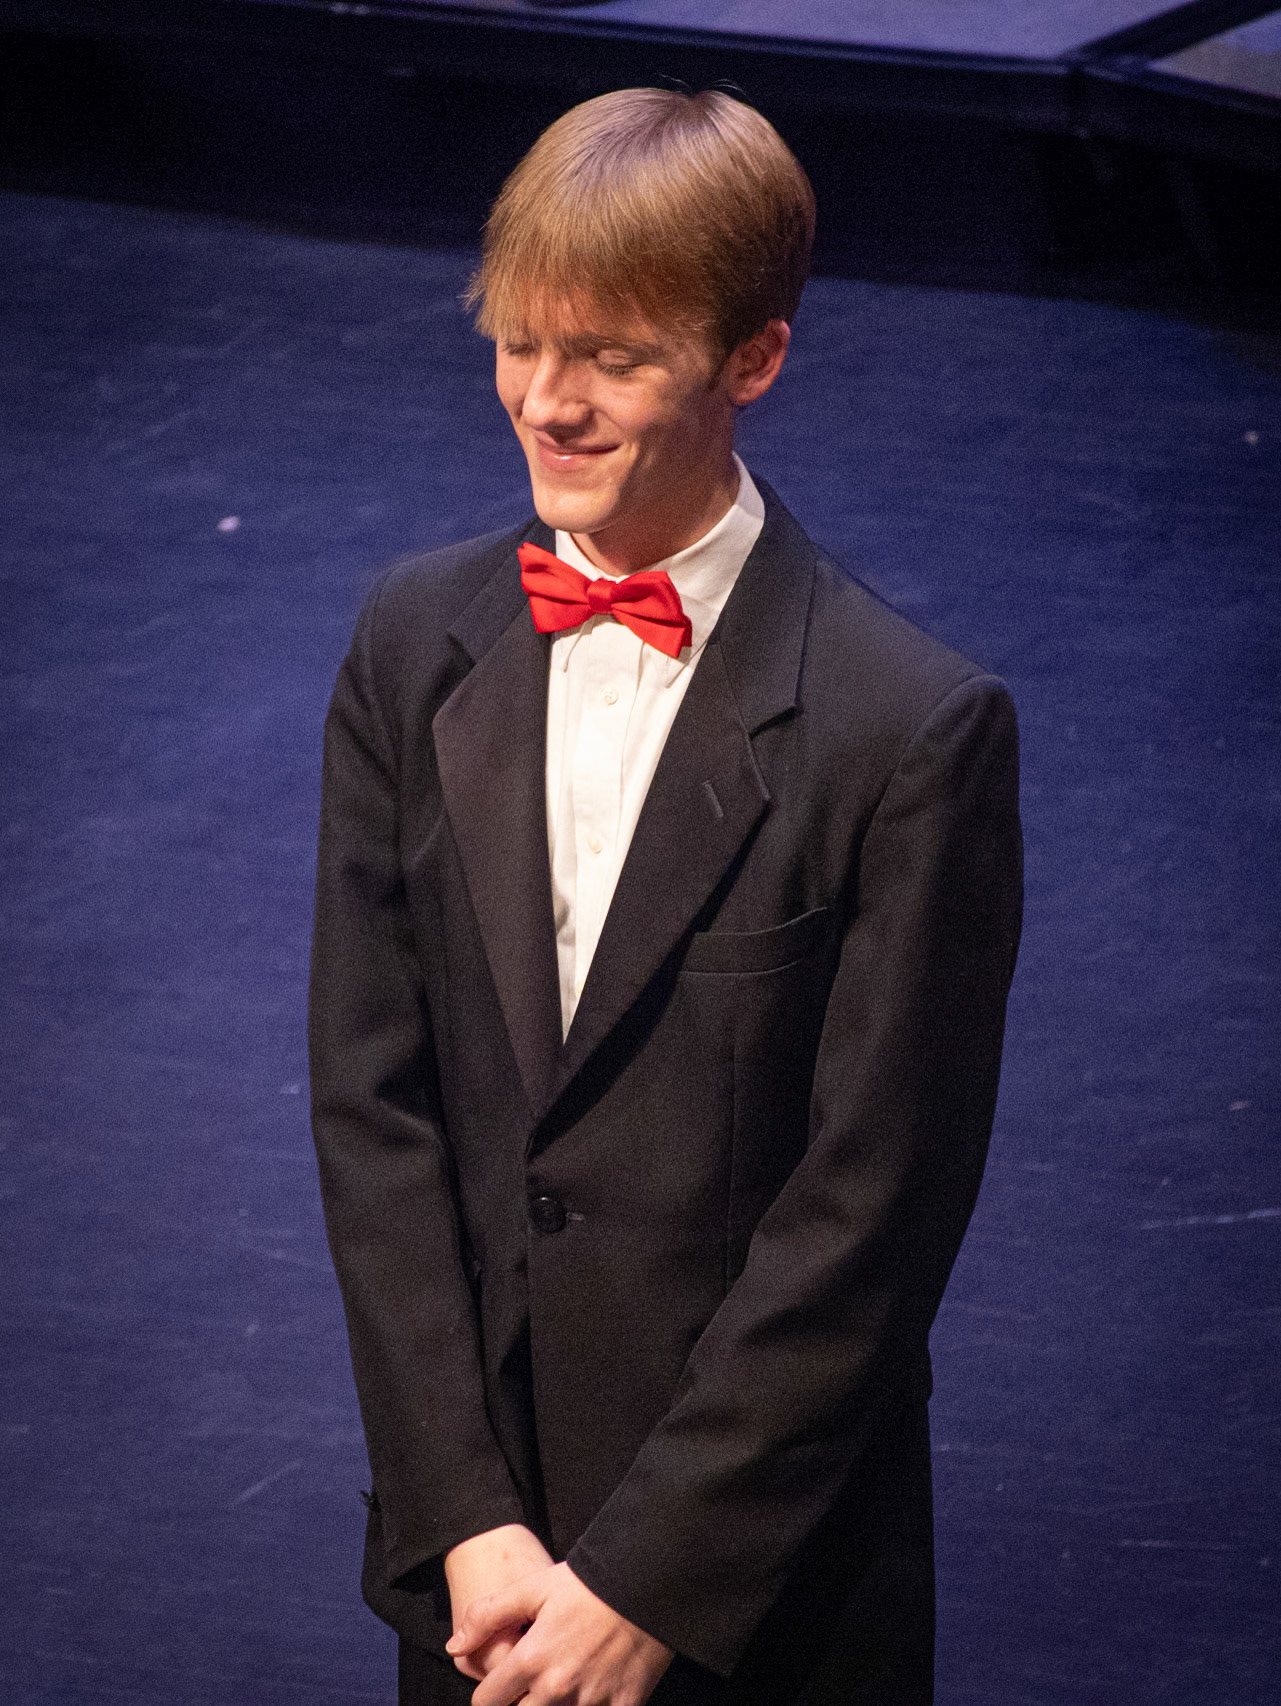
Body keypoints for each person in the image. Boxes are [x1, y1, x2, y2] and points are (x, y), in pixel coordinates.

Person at [308, 87, 1022, 1706]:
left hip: (755, 1594)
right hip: (479, 1587)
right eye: (516, 344)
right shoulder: (409, 643)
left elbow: (873, 1212)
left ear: (750, 359)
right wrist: (467, 1516)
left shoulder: (904, 728)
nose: (543, 404)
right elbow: (373, 1108)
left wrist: (647, 1579)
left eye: (612, 358)